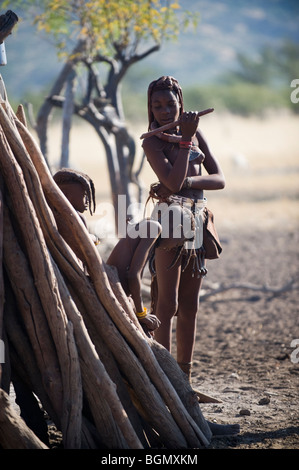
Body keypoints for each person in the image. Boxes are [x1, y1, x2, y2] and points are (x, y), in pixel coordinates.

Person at [142, 76, 225, 383]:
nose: (164, 111)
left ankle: (184, 379)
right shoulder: (152, 141)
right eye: (157, 105)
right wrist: (187, 141)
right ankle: (165, 379)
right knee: (167, 302)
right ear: (150, 108)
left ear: (181, 104)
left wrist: (191, 181)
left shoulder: (195, 132)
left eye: (170, 104)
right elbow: (172, 184)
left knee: (190, 305)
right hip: (171, 222)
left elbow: (219, 180)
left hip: (199, 218)